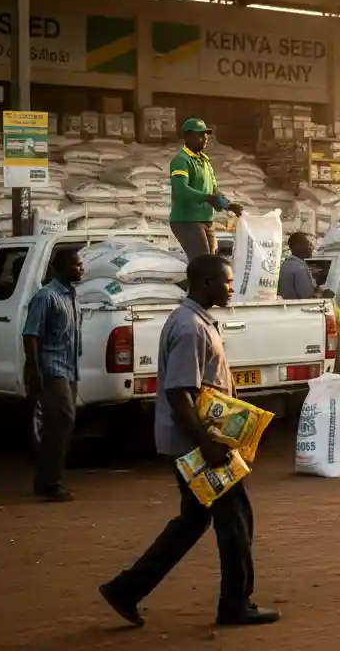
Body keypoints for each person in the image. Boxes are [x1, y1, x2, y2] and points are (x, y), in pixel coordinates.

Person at [100, 255, 278, 628]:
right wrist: (207, 446)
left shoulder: (195, 321)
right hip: (195, 444)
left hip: (193, 440)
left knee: (193, 520)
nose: (231, 288)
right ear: (206, 282)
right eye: (226, 282)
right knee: (235, 521)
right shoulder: (189, 327)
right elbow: (180, 392)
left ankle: (126, 589)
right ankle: (235, 603)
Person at [23, 247, 84, 502]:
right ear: (61, 267)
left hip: (70, 368)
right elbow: (30, 334)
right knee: (61, 419)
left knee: (60, 424)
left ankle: (46, 480)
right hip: (52, 368)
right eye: (76, 265)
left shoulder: (71, 295)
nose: (81, 269)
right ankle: (50, 483)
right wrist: (35, 369)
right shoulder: (46, 297)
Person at [169, 118, 242, 261]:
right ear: (187, 137)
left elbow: (214, 190)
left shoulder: (205, 161)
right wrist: (208, 198)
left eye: (205, 135)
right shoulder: (181, 160)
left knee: (212, 261)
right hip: (187, 221)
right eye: (199, 135)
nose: (204, 139)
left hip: (205, 219)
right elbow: (181, 189)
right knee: (203, 262)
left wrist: (228, 204)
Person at [276, 232, 319, 300]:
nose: (312, 248)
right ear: (299, 246)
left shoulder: (285, 264)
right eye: (309, 245)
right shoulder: (301, 269)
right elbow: (308, 298)